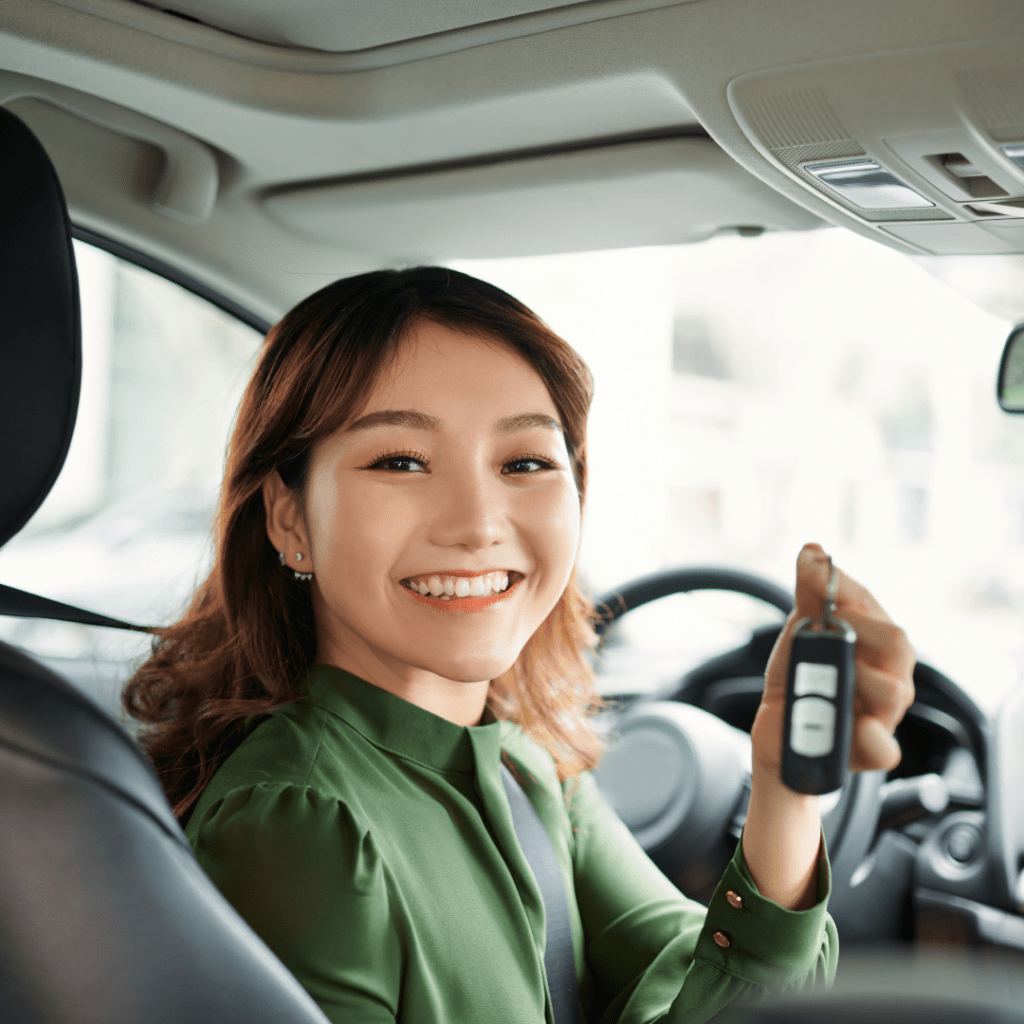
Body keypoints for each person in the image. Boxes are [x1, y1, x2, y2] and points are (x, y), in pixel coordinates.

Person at [123, 267, 915, 1024]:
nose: (476, 524)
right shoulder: (299, 821)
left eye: (526, 462)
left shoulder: (524, 767)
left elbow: (715, 990)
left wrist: (783, 789)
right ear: (289, 520)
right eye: (401, 461)